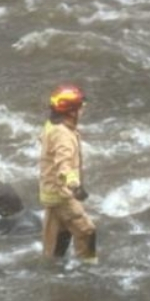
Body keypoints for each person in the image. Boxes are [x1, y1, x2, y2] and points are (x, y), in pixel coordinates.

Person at [39, 85, 97, 263]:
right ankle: (88, 270)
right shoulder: (63, 135)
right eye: (80, 108)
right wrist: (75, 186)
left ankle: (52, 270)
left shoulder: (52, 125)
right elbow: (64, 166)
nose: (83, 110)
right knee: (86, 231)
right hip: (62, 194)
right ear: (71, 112)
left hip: (51, 192)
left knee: (57, 237)